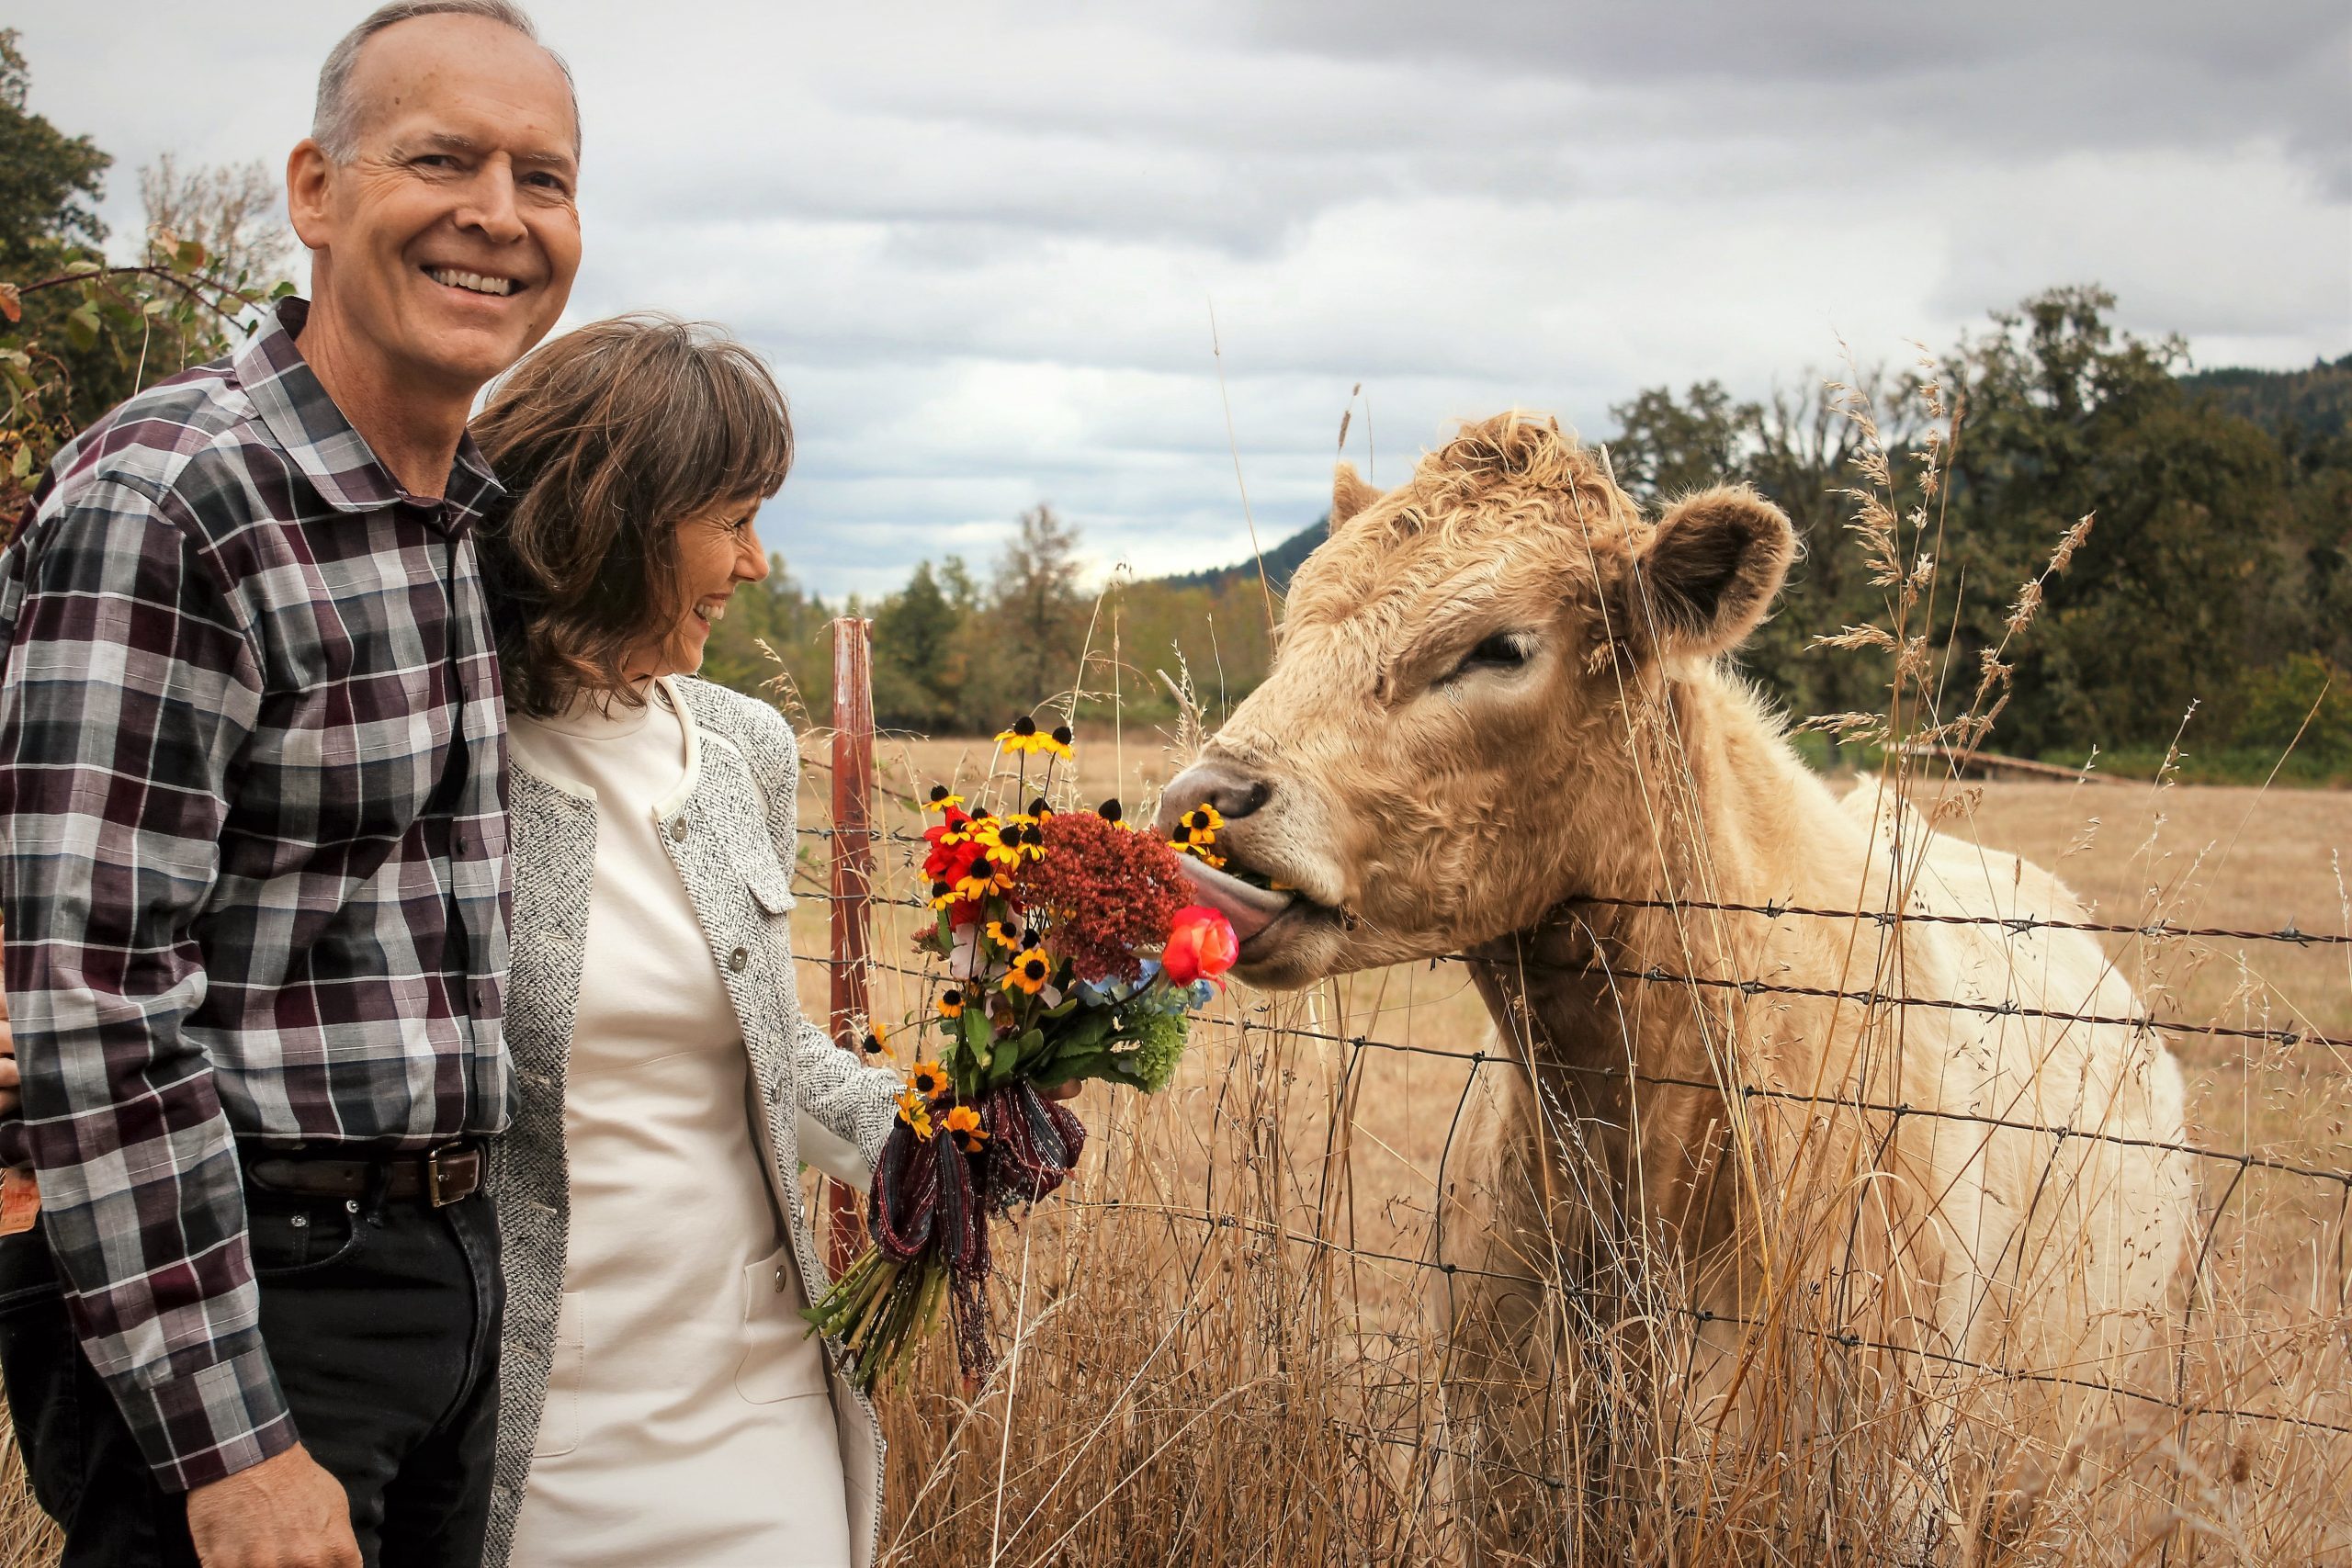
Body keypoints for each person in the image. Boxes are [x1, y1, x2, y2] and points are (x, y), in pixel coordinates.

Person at [0, 4, 580, 1564]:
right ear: (315, 192)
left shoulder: (445, 513)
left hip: (435, 1269)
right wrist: (230, 1445)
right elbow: (90, 1000)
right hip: (248, 1287)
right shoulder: (179, 507)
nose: (500, 217)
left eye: (546, 176)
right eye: (443, 159)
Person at [466, 315, 901, 1568]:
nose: (758, 563)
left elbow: (767, 1054)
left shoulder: (741, 748)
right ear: (622, 522)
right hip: (533, 1435)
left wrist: (946, 1133)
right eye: (734, 519)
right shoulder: (444, 753)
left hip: (754, 1413)